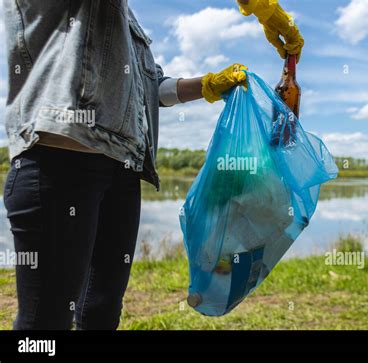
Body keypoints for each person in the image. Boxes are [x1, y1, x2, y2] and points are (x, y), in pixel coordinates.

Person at [2, 0, 304, 330]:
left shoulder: (128, 22)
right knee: (46, 321)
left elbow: (151, 88)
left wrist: (209, 85)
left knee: (101, 311)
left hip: (122, 169)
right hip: (61, 160)